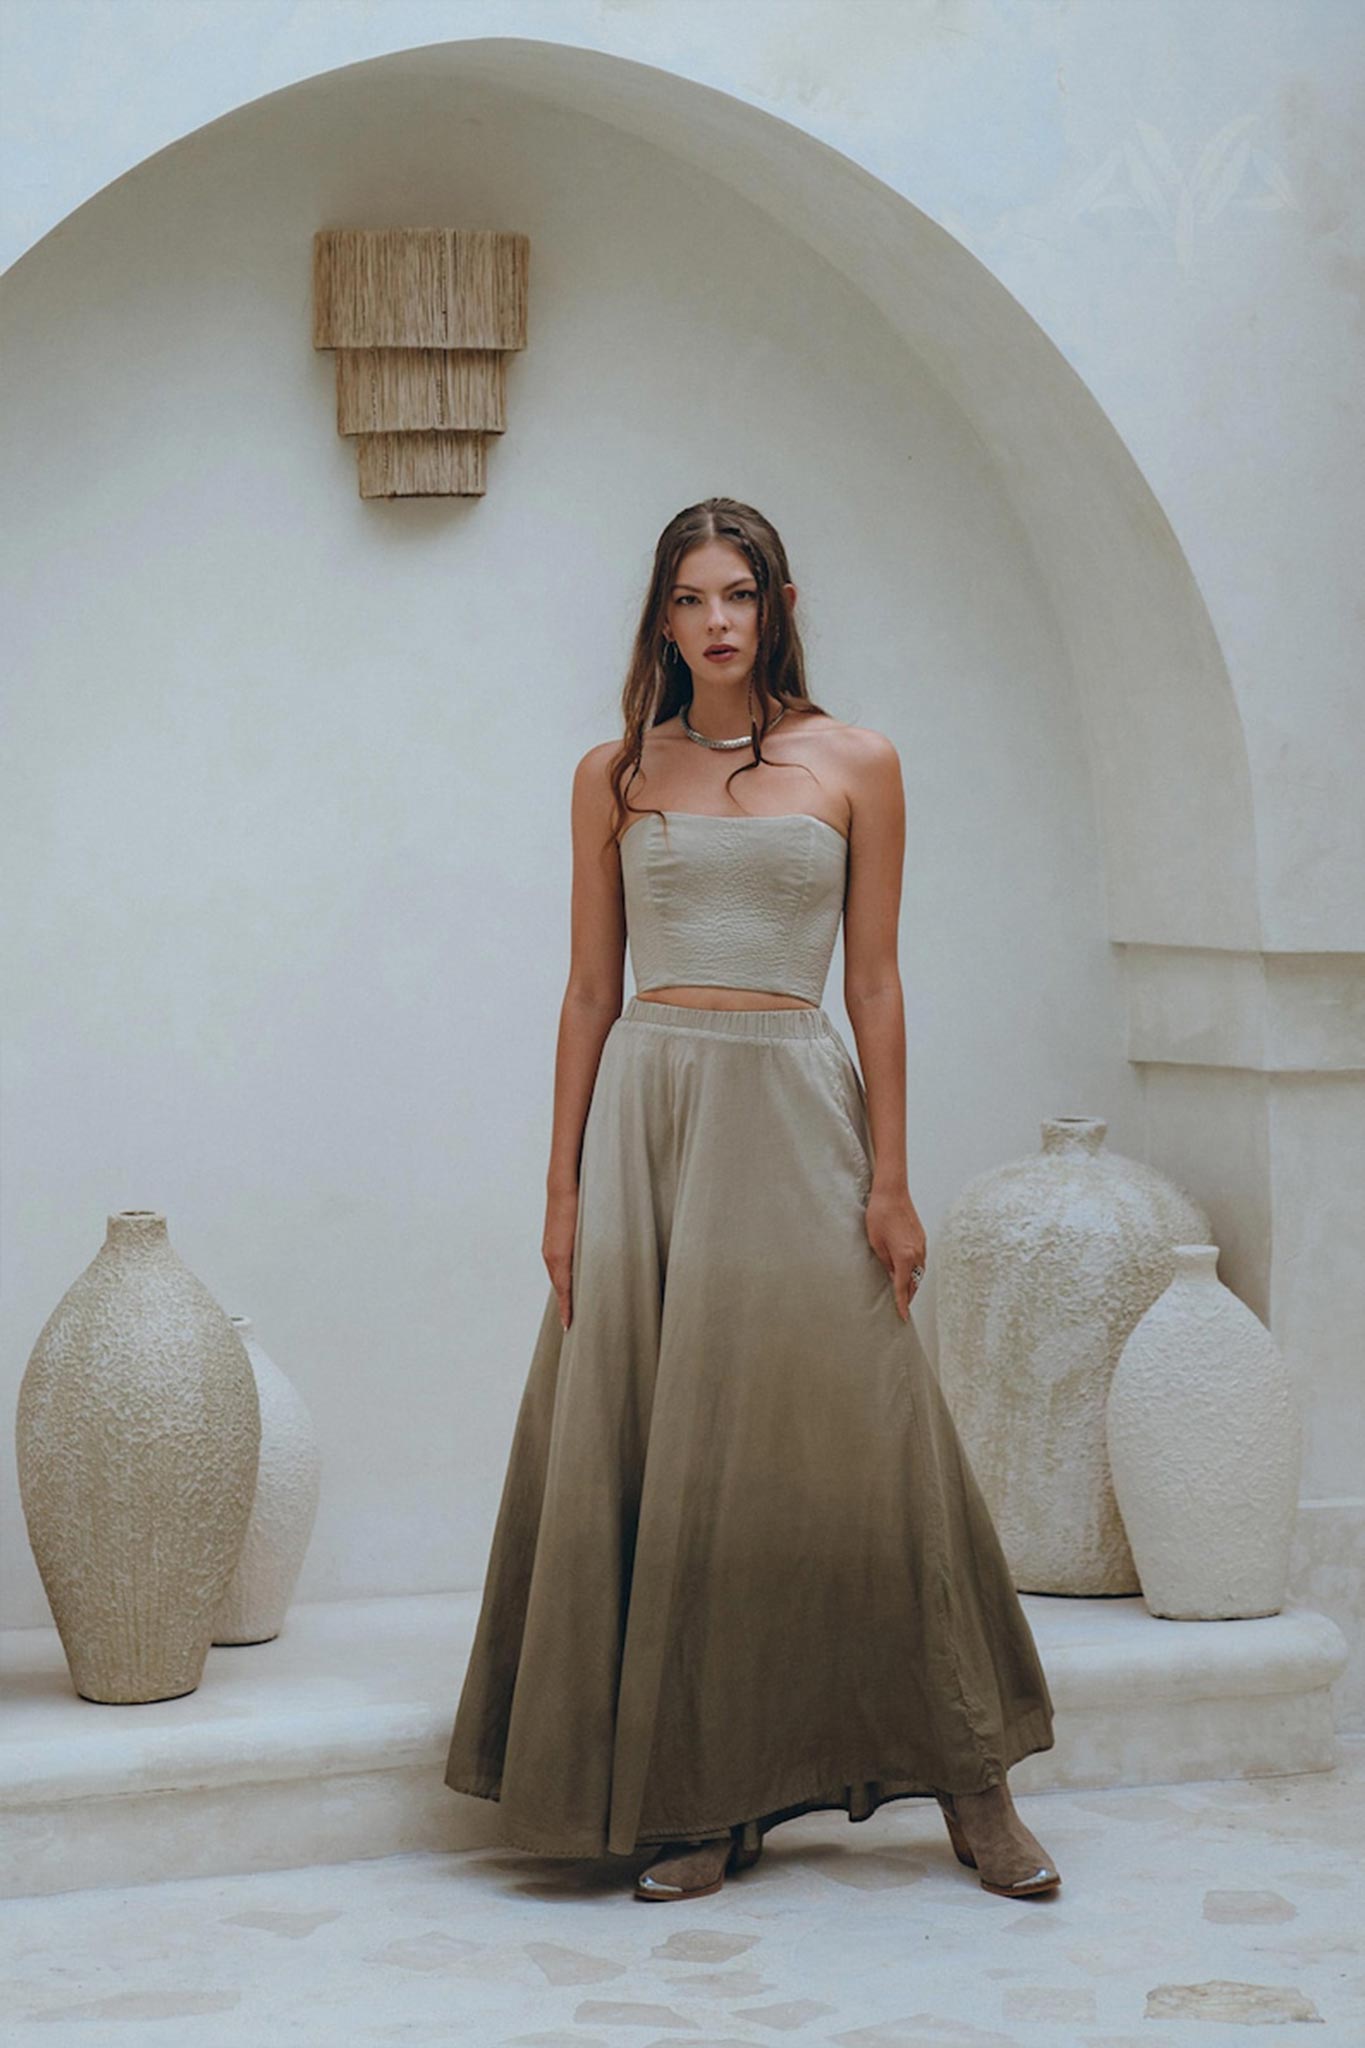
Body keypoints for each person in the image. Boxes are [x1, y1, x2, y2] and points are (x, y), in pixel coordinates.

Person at [444, 497, 1061, 1903]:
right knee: (679, 1450)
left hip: (795, 1103)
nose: (714, 621)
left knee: (865, 1437)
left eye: (737, 593)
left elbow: (875, 983)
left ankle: (973, 1783)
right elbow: (589, 990)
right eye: (689, 598)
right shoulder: (614, 774)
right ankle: (703, 1802)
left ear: (777, 605)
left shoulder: (856, 761)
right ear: (661, 620)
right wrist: (562, 1185)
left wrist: (891, 1178)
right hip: (651, 1117)